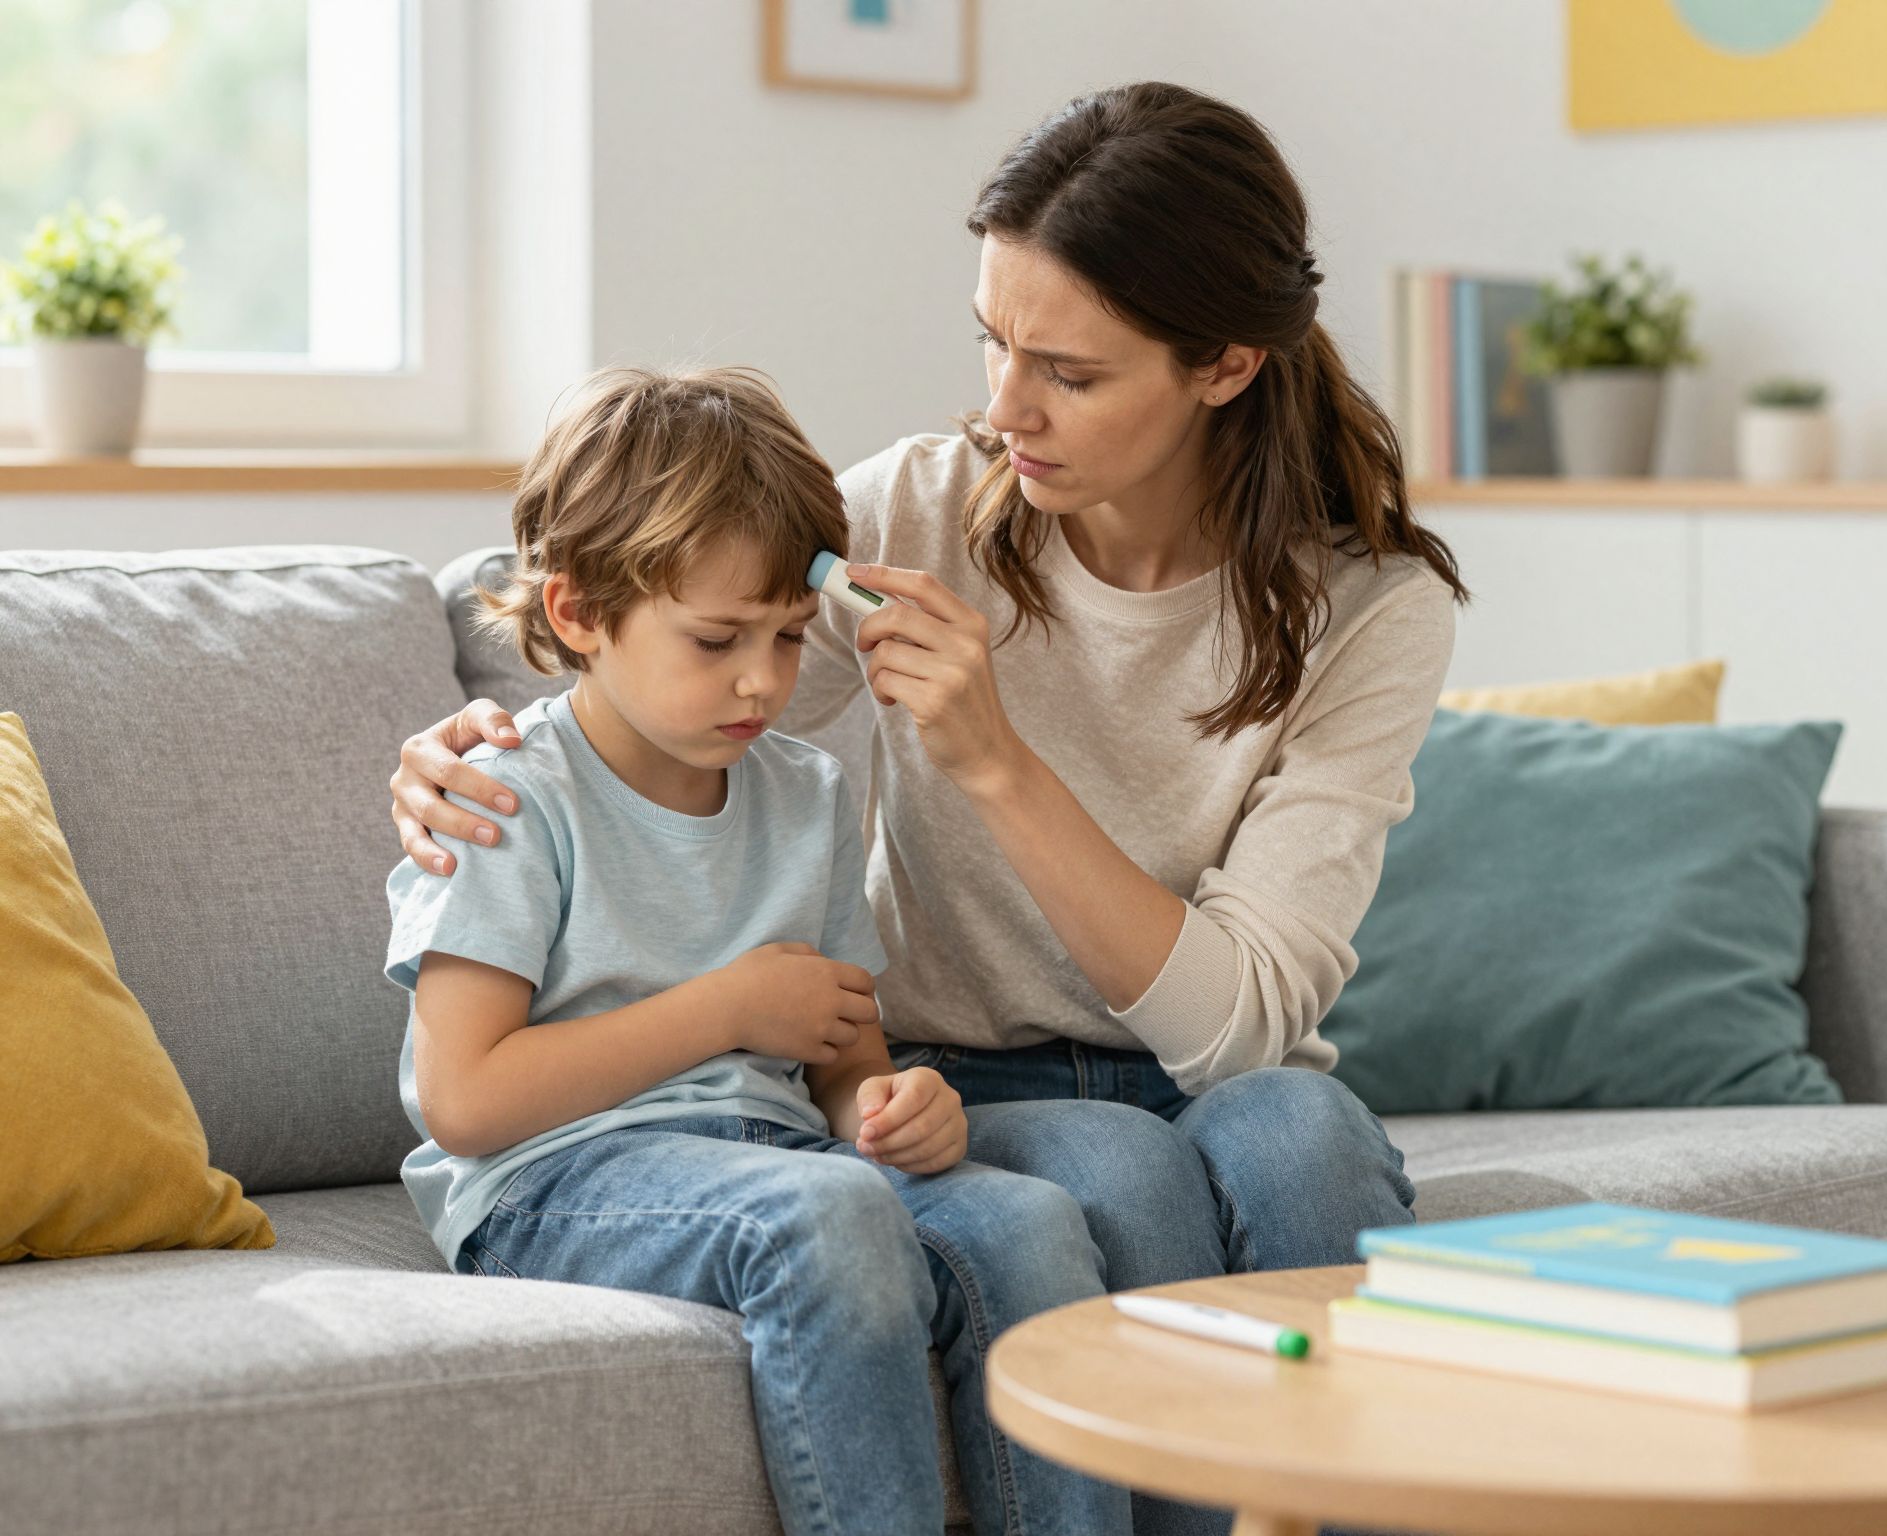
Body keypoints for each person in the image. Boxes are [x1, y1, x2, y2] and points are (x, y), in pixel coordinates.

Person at [389, 83, 1470, 1536]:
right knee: (1115, 1174)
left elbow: (1241, 1024)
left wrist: (996, 761)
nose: (1003, 408)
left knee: (1301, 1139)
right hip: (980, 1070)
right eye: (991, 341)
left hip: (1204, 1060)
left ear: (1223, 365)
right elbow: (640, 597)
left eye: (1069, 374)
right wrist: (453, 729)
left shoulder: (1368, 603)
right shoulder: (917, 512)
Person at [383, 364, 1127, 1536]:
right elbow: (465, 1100)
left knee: (1025, 1225)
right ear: (578, 613)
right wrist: (726, 1009)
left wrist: (887, 1105)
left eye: (787, 637)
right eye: (718, 638)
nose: (764, 681)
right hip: (561, 1181)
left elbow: (842, 1054)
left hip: (785, 1157)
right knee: (823, 1217)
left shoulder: (805, 792)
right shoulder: (505, 800)